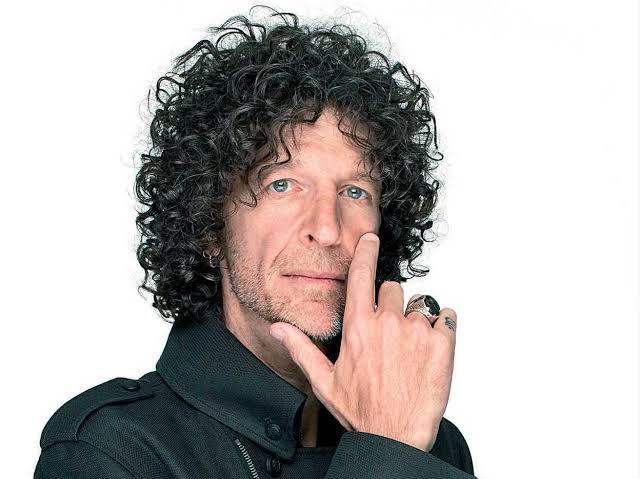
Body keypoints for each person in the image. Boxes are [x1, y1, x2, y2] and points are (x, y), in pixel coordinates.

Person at [34, 6, 476, 478]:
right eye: (281, 185)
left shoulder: (428, 436)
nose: (327, 229)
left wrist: (395, 439)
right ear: (210, 225)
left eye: (354, 191)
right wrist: (386, 452)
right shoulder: (109, 449)